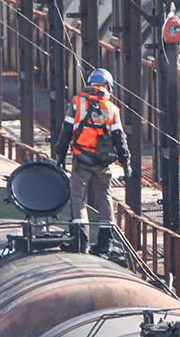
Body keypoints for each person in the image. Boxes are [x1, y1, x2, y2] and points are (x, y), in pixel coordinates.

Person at [52, 68, 131, 254]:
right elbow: (119, 138)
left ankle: (81, 242)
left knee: (78, 197)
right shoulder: (111, 109)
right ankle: (105, 243)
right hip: (103, 162)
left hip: (81, 160)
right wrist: (125, 162)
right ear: (107, 86)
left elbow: (66, 132)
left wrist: (60, 156)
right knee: (105, 197)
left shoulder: (78, 103)